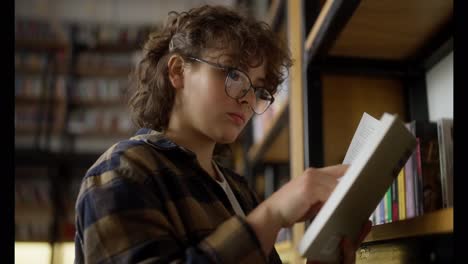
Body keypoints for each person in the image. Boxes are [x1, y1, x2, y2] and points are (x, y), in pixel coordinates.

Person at [74, 5, 371, 264]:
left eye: (258, 89)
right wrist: (273, 213)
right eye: (233, 74)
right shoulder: (122, 172)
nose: (247, 98)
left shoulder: (237, 189)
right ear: (177, 71)